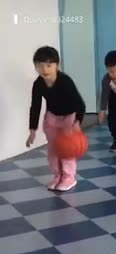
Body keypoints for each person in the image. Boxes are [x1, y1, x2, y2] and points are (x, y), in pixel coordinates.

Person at [26, 46, 86, 192]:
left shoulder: (65, 81)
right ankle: (58, 175)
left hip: (69, 117)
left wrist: (77, 122)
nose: (44, 69)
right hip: (52, 117)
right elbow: (35, 106)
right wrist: (32, 130)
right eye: (39, 66)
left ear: (57, 65)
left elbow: (80, 104)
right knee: (53, 150)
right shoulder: (38, 83)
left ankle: (69, 177)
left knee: (66, 149)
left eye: (48, 65)